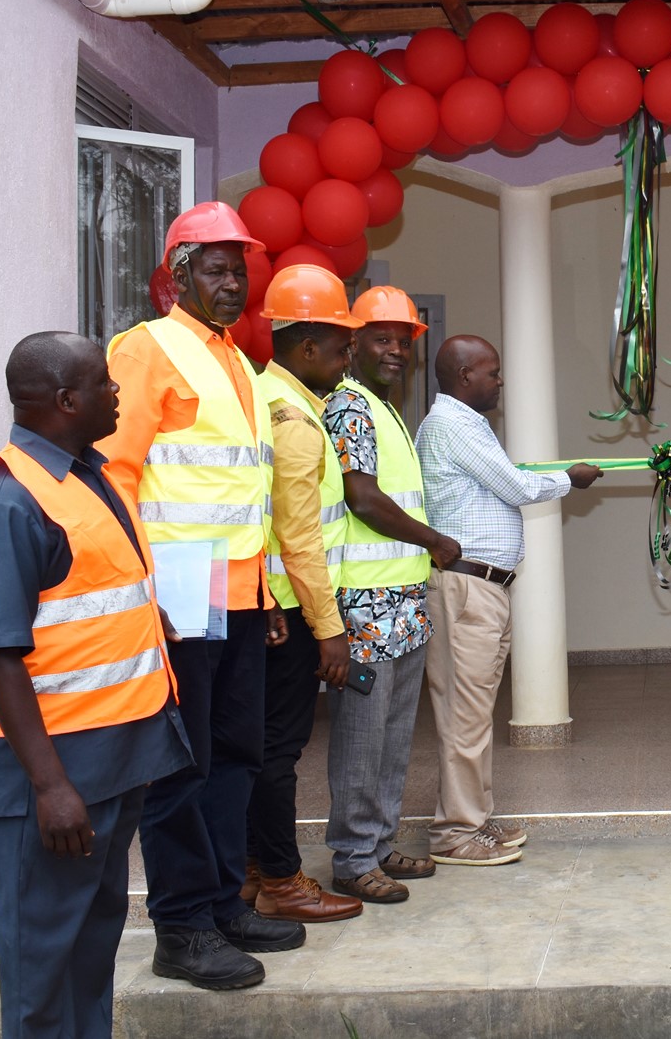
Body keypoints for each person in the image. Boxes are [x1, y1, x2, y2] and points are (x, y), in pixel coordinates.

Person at [0, 332, 194, 1037]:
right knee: (41, 975)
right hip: (53, 780)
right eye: (104, 384)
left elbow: (87, 596)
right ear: (65, 401)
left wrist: (151, 621)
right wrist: (52, 787)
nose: (118, 392)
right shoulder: (6, 505)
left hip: (114, 763)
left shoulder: (86, 474)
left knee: (90, 956)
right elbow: (0, 655)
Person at [98, 202, 302, 989]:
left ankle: (222, 901)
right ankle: (180, 924)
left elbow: (246, 489)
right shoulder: (146, 351)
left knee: (235, 755)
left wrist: (270, 590)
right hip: (178, 600)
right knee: (181, 764)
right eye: (215, 268)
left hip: (240, 596)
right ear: (176, 276)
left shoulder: (235, 360)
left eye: (239, 268)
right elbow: (116, 477)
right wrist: (139, 592)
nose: (232, 282)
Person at [415, 335, 602, 865]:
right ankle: (456, 833)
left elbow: (509, 482)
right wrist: (572, 479)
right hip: (467, 588)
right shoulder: (452, 425)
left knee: (472, 712)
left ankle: (472, 816)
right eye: (492, 372)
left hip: (483, 588)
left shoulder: (467, 426)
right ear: (464, 376)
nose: (500, 381)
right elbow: (516, 487)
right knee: (465, 713)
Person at [322, 286, 460, 902]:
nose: (397, 351)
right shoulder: (349, 406)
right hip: (363, 608)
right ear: (352, 343)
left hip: (401, 603)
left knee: (396, 737)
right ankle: (353, 858)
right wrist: (434, 540)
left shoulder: (386, 408)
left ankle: (378, 845)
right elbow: (363, 498)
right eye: (383, 338)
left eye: (405, 341)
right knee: (361, 738)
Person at [243, 265, 366, 924]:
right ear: (309, 344)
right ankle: (284, 880)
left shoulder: (260, 397)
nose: (348, 361)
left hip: (261, 604)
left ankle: (254, 868)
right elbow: (299, 535)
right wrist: (329, 626)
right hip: (288, 610)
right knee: (277, 752)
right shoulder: (294, 419)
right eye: (343, 347)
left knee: (254, 747)